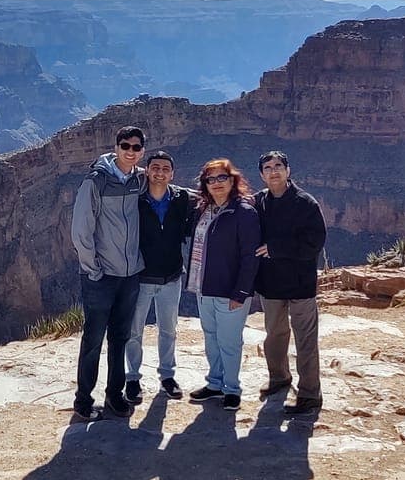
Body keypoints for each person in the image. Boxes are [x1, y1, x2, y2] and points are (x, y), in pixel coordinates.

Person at [70, 126, 147, 421]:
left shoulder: (139, 180)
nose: (130, 150)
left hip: (130, 275)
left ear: (142, 151)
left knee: (120, 338)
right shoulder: (96, 182)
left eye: (136, 147)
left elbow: (169, 191)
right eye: (125, 145)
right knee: (93, 340)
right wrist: (93, 270)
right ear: (116, 147)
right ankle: (83, 400)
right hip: (100, 278)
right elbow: (80, 230)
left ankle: (114, 396)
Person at [254, 150, 327, 414]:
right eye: (268, 168)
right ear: (261, 175)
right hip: (270, 283)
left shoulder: (305, 203)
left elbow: (314, 242)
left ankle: (309, 394)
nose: (273, 171)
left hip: (300, 284)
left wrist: (275, 248)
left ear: (288, 170)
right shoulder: (258, 202)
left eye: (278, 166)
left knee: (305, 339)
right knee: (274, 335)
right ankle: (279, 378)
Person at [186, 158, 261, 411]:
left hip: (231, 290)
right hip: (204, 286)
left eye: (222, 178)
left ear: (233, 180)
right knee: (211, 338)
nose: (217, 183)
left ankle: (232, 388)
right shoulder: (203, 210)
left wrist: (241, 291)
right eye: (211, 179)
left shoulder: (244, 212)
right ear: (205, 184)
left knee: (229, 341)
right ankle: (215, 383)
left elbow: (250, 257)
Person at [124, 150, 194, 404]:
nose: (160, 172)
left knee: (169, 330)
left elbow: (210, 203)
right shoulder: (136, 200)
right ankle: (132, 379)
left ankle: (167, 376)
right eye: (155, 167)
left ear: (172, 174)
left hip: (172, 277)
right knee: (134, 331)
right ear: (147, 170)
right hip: (141, 278)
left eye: (165, 168)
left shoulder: (182, 198)